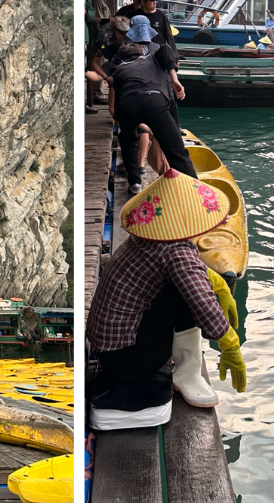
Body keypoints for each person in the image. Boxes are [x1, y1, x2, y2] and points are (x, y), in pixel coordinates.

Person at [88, 170, 246, 429]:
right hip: (128, 363)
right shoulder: (176, 251)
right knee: (183, 294)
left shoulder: (149, 238)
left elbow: (188, 268)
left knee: (186, 286)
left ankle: (185, 369)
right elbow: (202, 301)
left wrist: (219, 284)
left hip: (111, 352)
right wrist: (230, 343)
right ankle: (187, 373)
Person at [110, 16, 193, 194]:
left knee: (128, 140)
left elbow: (117, 110)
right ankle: (194, 189)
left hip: (128, 104)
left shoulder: (120, 70)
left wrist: (132, 125)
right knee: (176, 149)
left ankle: (134, 183)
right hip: (155, 100)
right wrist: (175, 79)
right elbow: (165, 50)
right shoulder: (153, 57)